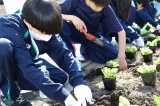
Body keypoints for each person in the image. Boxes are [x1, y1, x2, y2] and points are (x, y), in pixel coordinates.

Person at [0, 0, 94, 106]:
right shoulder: (10, 26)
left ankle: (14, 79)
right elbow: (26, 65)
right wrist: (64, 97)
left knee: (59, 78)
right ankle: (9, 95)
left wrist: (78, 83)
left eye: (51, 33)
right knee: (3, 47)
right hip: (7, 59)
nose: (48, 36)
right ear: (27, 23)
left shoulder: (44, 25)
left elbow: (64, 54)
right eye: (44, 33)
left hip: (24, 61)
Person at [59, 0, 127, 70]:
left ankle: (84, 51)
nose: (100, 9)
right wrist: (73, 18)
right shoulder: (75, 2)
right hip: (75, 33)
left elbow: (121, 32)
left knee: (114, 55)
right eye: (98, 6)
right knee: (59, 22)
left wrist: (121, 56)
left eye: (102, 7)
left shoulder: (106, 8)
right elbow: (55, 14)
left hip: (92, 37)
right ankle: (72, 59)